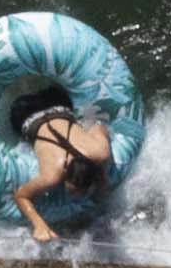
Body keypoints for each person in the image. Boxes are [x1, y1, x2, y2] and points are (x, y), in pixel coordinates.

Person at [7, 85, 112, 245]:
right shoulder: (52, 175)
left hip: (59, 105)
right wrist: (39, 225)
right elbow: (20, 195)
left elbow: (100, 128)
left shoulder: (100, 152)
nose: (77, 196)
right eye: (74, 189)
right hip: (27, 115)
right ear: (65, 173)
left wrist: (102, 171)